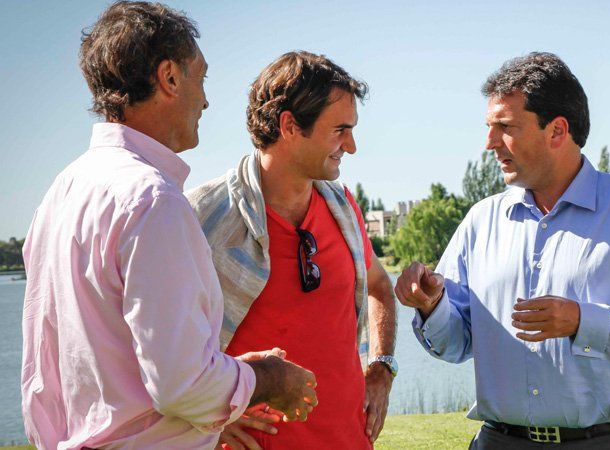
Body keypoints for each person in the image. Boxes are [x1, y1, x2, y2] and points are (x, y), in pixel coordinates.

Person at [21, 2, 318, 449]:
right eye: (201, 77)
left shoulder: (63, 191)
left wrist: (230, 372)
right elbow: (183, 386)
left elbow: (54, 375)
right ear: (170, 77)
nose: (205, 98)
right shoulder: (153, 201)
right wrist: (267, 378)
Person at [394, 52, 610, 449]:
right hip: (498, 441)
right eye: (490, 127)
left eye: (504, 127)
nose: (489, 143)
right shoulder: (480, 221)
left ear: (557, 130)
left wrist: (582, 322)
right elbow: (456, 344)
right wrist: (431, 306)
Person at [187, 51, 397, 450]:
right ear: (289, 125)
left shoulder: (345, 208)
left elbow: (379, 287)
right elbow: (151, 348)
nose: (350, 146)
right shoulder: (201, 217)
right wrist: (203, 421)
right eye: (339, 130)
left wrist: (381, 368)